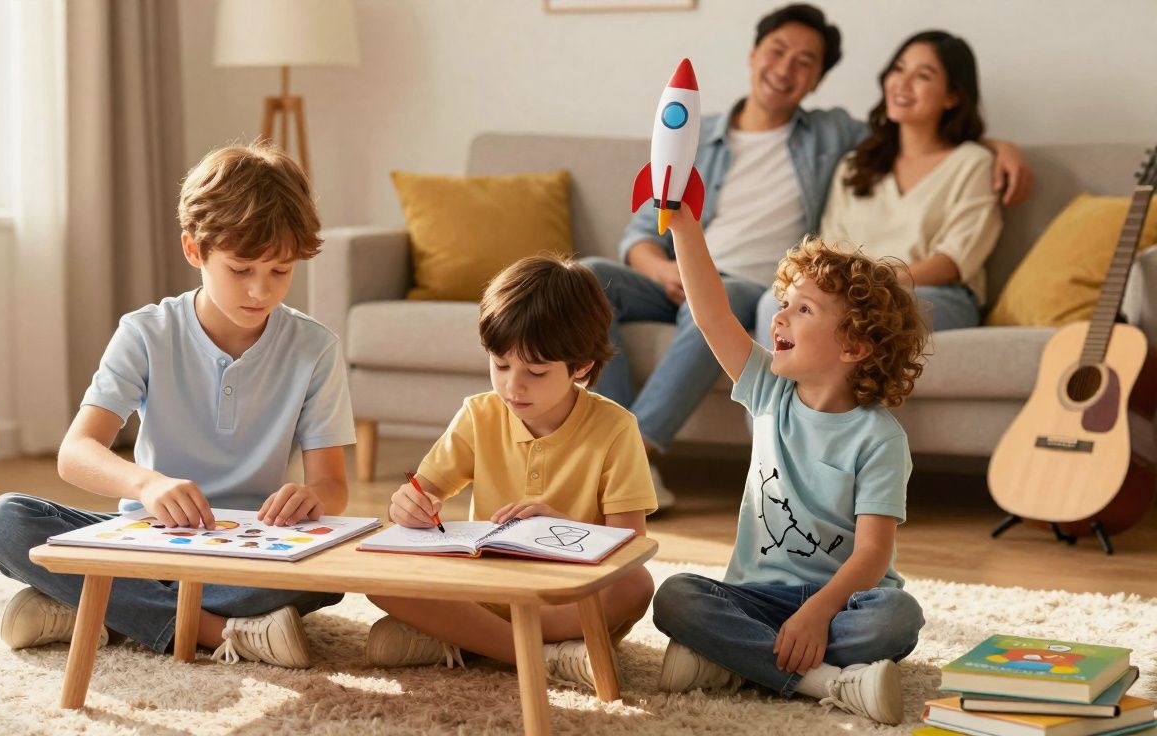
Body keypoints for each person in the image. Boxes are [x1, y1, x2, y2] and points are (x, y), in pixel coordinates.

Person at [584, 4, 1030, 507]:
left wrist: (997, 146)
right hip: (672, 277)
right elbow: (642, 230)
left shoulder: (829, 138)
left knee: (732, 297)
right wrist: (666, 268)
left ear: (817, 80)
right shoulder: (697, 138)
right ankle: (605, 444)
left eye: (805, 62)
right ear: (753, 54)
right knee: (590, 279)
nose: (786, 69)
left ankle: (640, 457)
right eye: (777, 51)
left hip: (747, 283)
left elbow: (922, 136)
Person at [0, 143, 356, 669]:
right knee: (5, 522)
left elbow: (333, 485)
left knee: (333, 574)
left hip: (250, 551)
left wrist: (310, 498)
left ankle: (90, 606)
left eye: (281, 271)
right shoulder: (147, 333)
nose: (260, 290)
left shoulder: (316, 348)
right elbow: (77, 452)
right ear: (194, 250)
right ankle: (214, 630)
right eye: (241, 269)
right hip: (149, 542)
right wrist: (146, 484)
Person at [652, 205, 929, 725]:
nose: (779, 317)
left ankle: (733, 662)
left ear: (854, 345)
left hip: (844, 603)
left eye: (804, 310)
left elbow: (872, 557)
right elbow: (711, 314)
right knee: (675, 597)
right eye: (785, 303)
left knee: (898, 618)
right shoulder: (768, 391)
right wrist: (686, 226)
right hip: (755, 595)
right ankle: (828, 682)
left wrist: (818, 612)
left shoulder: (879, 439)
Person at [364, 254, 657, 691]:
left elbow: (630, 546)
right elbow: (419, 493)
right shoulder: (479, 414)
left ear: (581, 367)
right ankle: (539, 653)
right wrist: (407, 505)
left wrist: (561, 527)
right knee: (377, 577)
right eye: (500, 365)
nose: (512, 387)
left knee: (637, 584)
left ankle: (475, 642)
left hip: (566, 596)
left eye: (535, 372)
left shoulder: (616, 429)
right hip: (487, 587)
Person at [757, 30, 1002, 342]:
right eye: (898, 69)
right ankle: (782, 394)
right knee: (771, 303)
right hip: (853, 292)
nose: (902, 82)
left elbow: (952, 262)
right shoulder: (855, 164)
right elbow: (831, 248)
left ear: (952, 96)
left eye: (923, 75)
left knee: (851, 315)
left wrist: (869, 287)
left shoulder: (973, 163)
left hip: (934, 295)